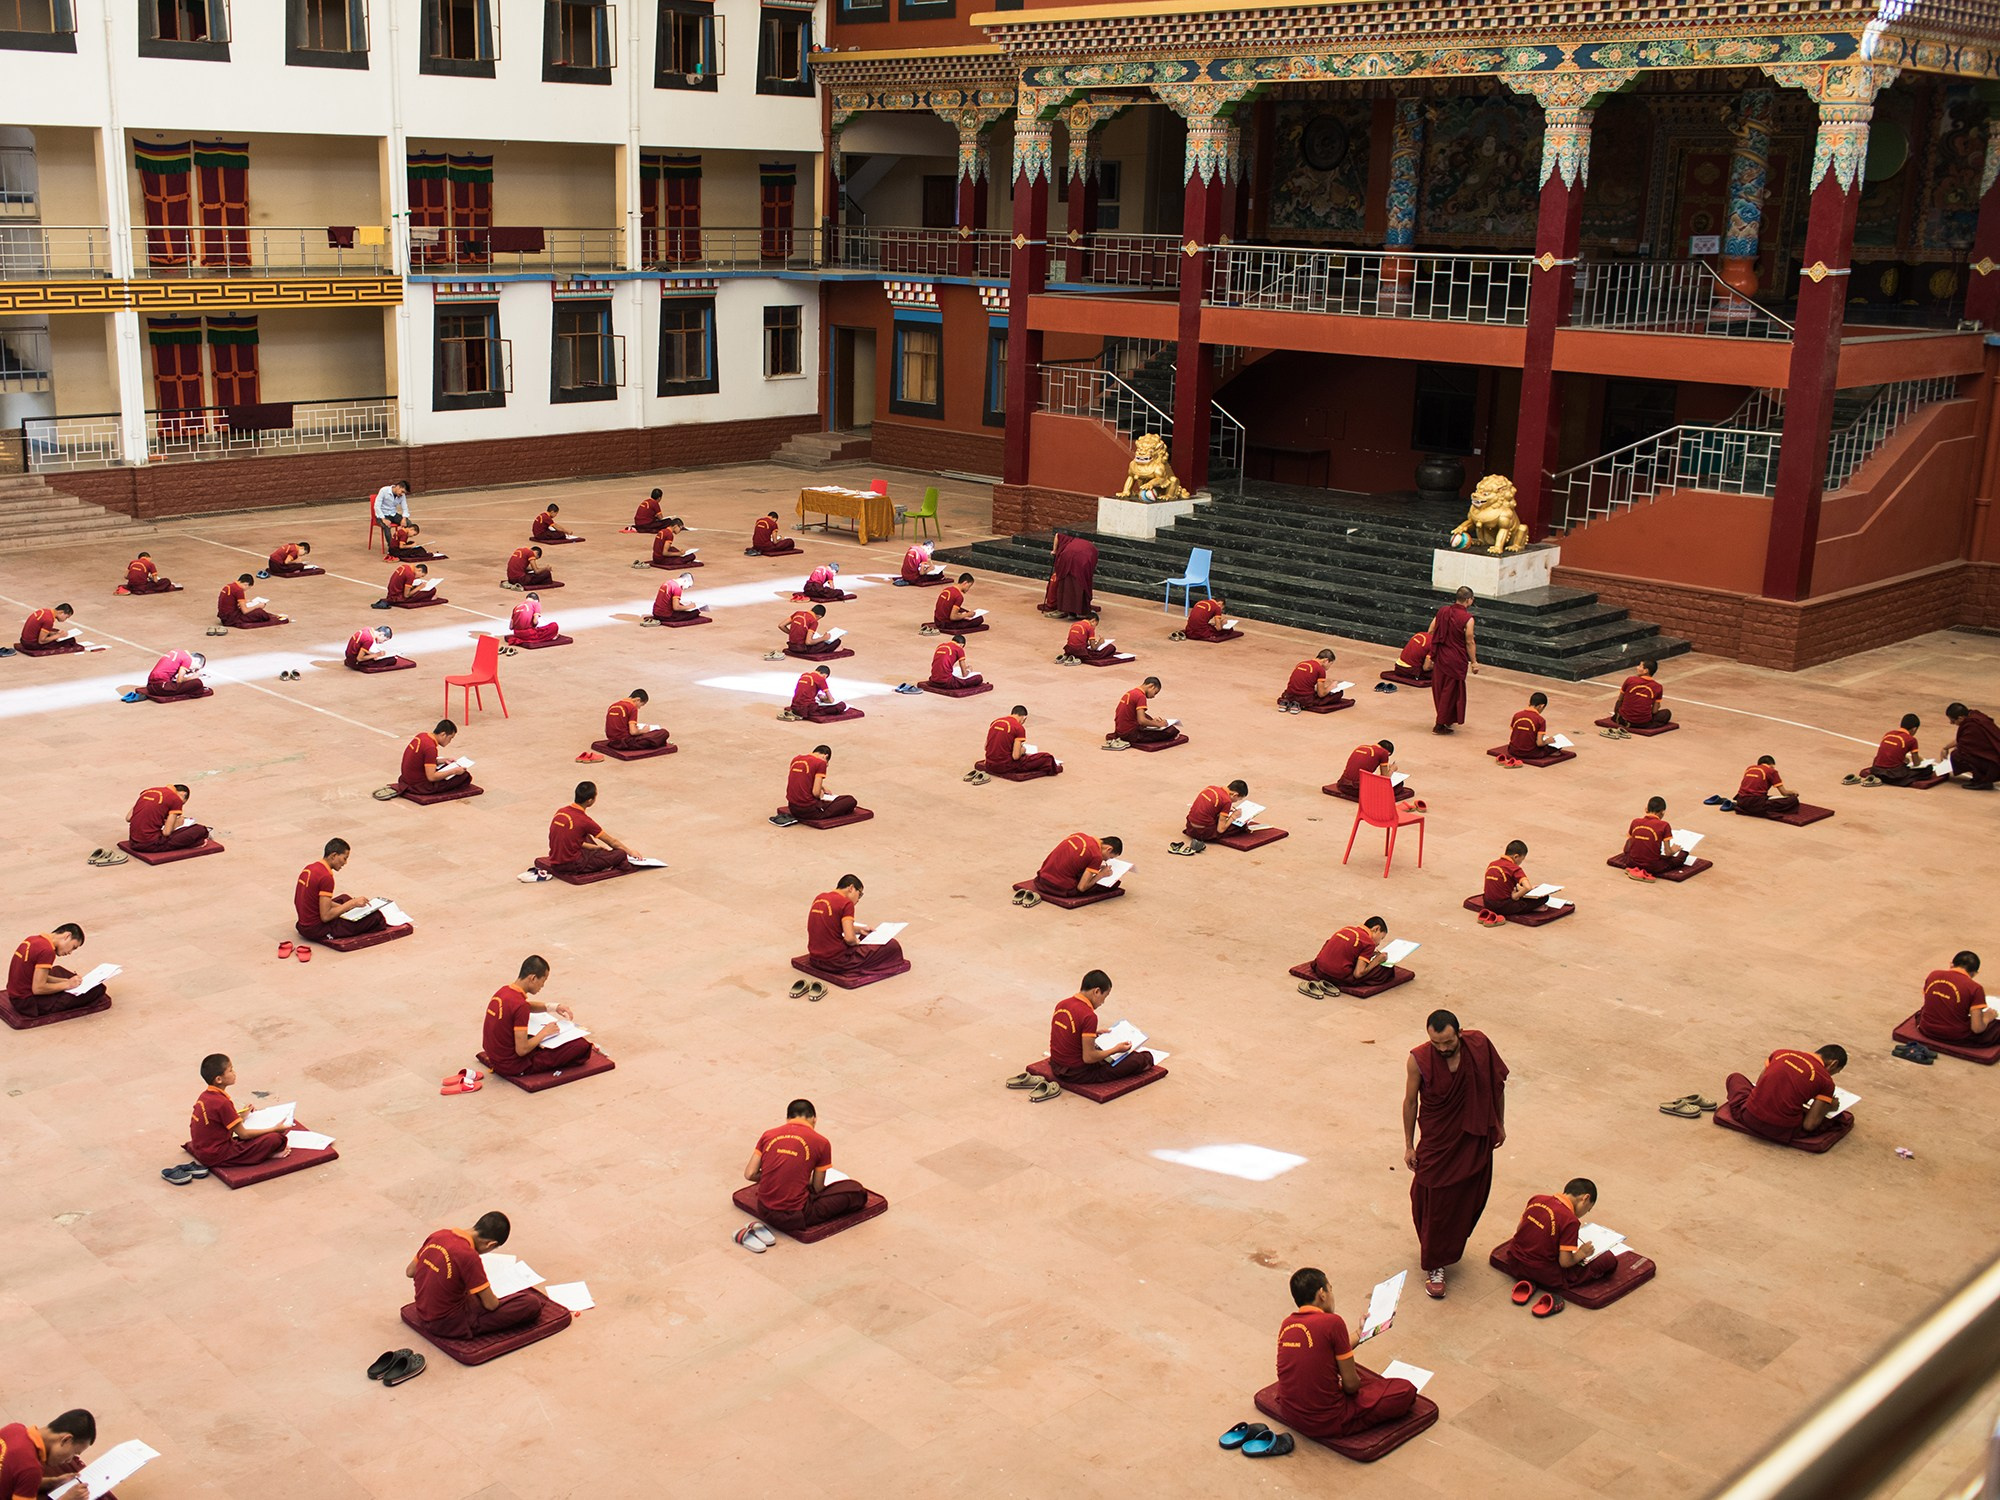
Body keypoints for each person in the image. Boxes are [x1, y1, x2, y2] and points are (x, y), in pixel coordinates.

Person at [1403, 1009, 1508, 1298]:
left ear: (1459, 1033)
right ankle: (1434, 1263)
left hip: (1475, 1133)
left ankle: (1449, 1245)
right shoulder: (1419, 1060)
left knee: (1468, 1195)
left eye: (1448, 1042)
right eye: (1436, 1043)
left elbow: (1496, 1086)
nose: (1443, 1049)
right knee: (1431, 1197)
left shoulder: (1479, 1046)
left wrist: (1499, 1123)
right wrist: (1409, 1145)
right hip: (1439, 1141)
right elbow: (1411, 1102)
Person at [1272, 1267, 1420, 1440]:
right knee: (1404, 1390)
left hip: (1290, 1412)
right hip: (1327, 1421)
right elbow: (1352, 1386)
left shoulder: (1287, 1324)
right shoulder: (1333, 1322)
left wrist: (1360, 1333)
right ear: (1322, 1294)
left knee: (1338, 1367)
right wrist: (1347, 1382)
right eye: (1330, 1289)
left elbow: (1325, 1349)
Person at [405, 1212, 543, 1339]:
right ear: (490, 1244)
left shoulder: (439, 1235)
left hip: (423, 1310)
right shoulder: (468, 1256)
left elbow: (410, 1271)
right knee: (531, 1304)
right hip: (447, 1324)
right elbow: (491, 1305)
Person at [744, 1099, 871, 1233]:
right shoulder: (821, 1142)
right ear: (814, 1119)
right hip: (794, 1215)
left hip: (763, 1208)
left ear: (787, 1118)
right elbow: (817, 1187)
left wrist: (779, 1176)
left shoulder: (768, 1134)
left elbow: (750, 1174)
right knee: (856, 1191)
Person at [484, 955, 593, 1076]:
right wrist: (544, 1032)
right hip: (512, 1065)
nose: (542, 986)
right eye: (543, 981)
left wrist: (553, 1007)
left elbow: (525, 1006)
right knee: (581, 1046)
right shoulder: (520, 1007)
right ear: (533, 978)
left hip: (494, 1057)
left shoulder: (504, 991)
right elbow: (522, 1050)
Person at [1044, 969, 1154, 1085]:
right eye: (1104, 997)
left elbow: (1070, 1032)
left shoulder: (1062, 1004)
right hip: (1076, 1073)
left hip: (1056, 1066)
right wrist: (1115, 1049)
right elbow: (1089, 1058)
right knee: (1139, 1059)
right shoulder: (1088, 1015)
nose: (1103, 1002)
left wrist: (1094, 1034)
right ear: (1096, 991)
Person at [1504, 1179, 1617, 1291]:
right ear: (1585, 1198)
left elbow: (1519, 1229)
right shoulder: (1571, 1220)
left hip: (1514, 1261)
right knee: (1608, 1259)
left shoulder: (1536, 1199)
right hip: (1541, 1273)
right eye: (1588, 1209)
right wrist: (1582, 1253)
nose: (1584, 1213)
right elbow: (1565, 1262)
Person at [1724, 1045, 1849, 1144]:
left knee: (1735, 1078)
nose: (1831, 1075)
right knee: (1836, 1120)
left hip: (1749, 1116)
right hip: (1782, 1130)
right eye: (1835, 1072)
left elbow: (1759, 1084)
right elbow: (1809, 1125)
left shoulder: (1781, 1053)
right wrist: (1828, 1106)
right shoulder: (1826, 1080)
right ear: (1833, 1064)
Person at [188, 1054, 291, 1169]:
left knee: (258, 1138)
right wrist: (275, 1129)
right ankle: (266, 1155)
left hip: (202, 1149)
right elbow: (244, 1134)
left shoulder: (206, 1096)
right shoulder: (222, 1102)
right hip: (216, 1155)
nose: (234, 1073)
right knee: (275, 1138)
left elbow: (221, 1121)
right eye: (230, 1070)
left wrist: (241, 1116)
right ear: (218, 1079)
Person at [805, 875, 905, 974]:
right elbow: (849, 939)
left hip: (815, 958)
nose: (858, 900)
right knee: (892, 945)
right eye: (859, 894)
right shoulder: (846, 903)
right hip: (835, 961)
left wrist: (860, 930)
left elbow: (832, 924)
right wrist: (855, 942)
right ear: (851, 888)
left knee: (864, 935)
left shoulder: (820, 897)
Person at [294, 838, 385, 941]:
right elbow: (326, 916)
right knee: (376, 917)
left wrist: (346, 907)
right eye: (344, 858)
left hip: (303, 924)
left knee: (344, 898)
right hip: (315, 929)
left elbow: (314, 899)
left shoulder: (310, 868)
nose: (345, 863)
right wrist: (352, 904)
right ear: (333, 856)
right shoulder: (326, 877)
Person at [7, 923, 107, 1017]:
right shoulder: (47, 951)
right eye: (73, 947)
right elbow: (38, 989)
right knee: (97, 989)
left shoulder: (32, 939)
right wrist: (68, 985)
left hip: (14, 995)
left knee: (60, 971)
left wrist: (66, 981)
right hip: (27, 1003)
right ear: (67, 936)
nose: (70, 952)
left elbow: (34, 975)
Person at [547, 783, 644, 876]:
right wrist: (630, 852)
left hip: (555, 861)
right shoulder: (585, 821)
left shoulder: (561, 811)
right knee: (620, 854)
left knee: (581, 834)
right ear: (589, 800)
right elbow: (611, 842)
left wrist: (593, 847)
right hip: (573, 865)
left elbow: (570, 840)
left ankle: (596, 854)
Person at [0, 1411, 98, 1498]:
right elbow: (26, 1473)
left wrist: (52, 1482)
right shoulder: (31, 1468)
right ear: (66, 1439)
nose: (69, 1460)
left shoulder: (14, 1428)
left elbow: (14, 1477)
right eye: (74, 1453)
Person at [1428, 586, 1478, 733]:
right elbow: (1469, 641)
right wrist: (1474, 662)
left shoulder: (1443, 611)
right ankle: (1440, 723)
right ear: (1469, 600)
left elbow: (1431, 630)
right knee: (1450, 692)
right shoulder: (1468, 619)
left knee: (1440, 688)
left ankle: (1444, 719)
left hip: (1441, 656)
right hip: (1455, 658)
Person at [1917, 952, 1991, 1044]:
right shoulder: (1975, 988)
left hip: (1926, 1029)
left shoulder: (1933, 975)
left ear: (1951, 964)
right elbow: (1977, 1028)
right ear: (1974, 973)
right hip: (1954, 1036)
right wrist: (1988, 1017)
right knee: (1994, 1027)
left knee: (1921, 1012)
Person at [1309, 917, 1392, 988]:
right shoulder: (1369, 942)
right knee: (1385, 971)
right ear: (1376, 929)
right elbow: (1358, 974)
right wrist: (1377, 960)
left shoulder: (1346, 929)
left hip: (1319, 969)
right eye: (1381, 938)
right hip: (1336, 976)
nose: (1379, 943)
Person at [1035, 833, 1123, 898]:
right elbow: (1081, 888)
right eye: (1110, 857)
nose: (1106, 860)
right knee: (1114, 884)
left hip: (1041, 879)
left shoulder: (1078, 835)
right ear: (1109, 849)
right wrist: (1101, 875)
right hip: (1058, 888)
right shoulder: (1096, 855)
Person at [980, 706, 1060, 777]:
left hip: (989, 764)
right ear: (1024, 718)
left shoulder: (995, 722)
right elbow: (1015, 756)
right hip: (1005, 766)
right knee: (1047, 757)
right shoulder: (1018, 728)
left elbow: (986, 747)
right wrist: (1023, 750)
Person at [128, 783, 208, 853]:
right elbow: (166, 833)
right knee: (200, 829)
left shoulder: (148, 791)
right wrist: (176, 824)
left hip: (133, 842)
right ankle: (195, 843)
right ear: (183, 794)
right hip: (149, 844)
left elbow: (128, 818)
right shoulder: (176, 800)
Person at [398, 720, 470, 796]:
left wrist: (443, 760)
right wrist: (454, 771)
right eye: (450, 738)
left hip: (406, 779)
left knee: (445, 766)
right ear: (443, 734)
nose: (450, 741)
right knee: (464, 776)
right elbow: (431, 777)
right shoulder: (430, 748)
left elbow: (421, 759)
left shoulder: (422, 735)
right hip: (418, 785)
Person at [785, 745, 857, 820]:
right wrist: (820, 794)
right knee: (850, 800)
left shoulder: (796, 759)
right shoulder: (820, 763)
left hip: (792, 808)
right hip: (808, 810)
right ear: (825, 756)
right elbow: (816, 793)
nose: (827, 765)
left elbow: (803, 778)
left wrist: (822, 787)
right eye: (827, 761)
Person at [1853, 714, 1927, 786]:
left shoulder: (1888, 734)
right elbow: (1916, 764)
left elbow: (1890, 752)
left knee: (1904, 762)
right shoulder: (1911, 740)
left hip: (1876, 770)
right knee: (1927, 770)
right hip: (1893, 774)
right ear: (1914, 729)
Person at [1620, 796, 1685, 878]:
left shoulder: (1635, 822)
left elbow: (1627, 846)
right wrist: (1674, 850)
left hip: (1631, 863)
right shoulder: (1664, 825)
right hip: (1652, 866)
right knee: (1681, 857)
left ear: (1646, 809)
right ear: (1662, 812)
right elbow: (1668, 853)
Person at [1481, 839, 1548, 917]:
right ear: (1516, 856)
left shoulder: (1492, 864)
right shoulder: (1514, 868)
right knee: (1544, 898)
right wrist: (1515, 896)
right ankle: (1532, 909)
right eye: (1521, 860)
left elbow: (1505, 884)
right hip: (1503, 906)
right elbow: (1527, 887)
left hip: (1488, 903)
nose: (1520, 863)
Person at [1041, 530, 1098, 618]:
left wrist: (1054, 551)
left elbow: (1057, 535)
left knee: (1066, 583)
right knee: (1081, 582)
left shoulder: (1065, 543)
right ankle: (1081, 610)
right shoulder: (1076, 542)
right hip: (1088, 557)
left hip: (1071, 557)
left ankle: (1066, 609)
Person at [1943, 702, 2000, 790]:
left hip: (1995, 763)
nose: (1951, 723)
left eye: (1953, 721)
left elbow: (1964, 744)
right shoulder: (1975, 715)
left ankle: (1983, 780)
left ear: (1961, 718)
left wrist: (1954, 748)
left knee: (1957, 755)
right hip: (1995, 755)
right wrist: (1946, 747)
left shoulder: (1972, 726)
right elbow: (1963, 739)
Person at [1111, 676, 1178, 747]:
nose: (1153, 696)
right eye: (1155, 693)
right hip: (1130, 734)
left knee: (1148, 718)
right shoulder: (1141, 696)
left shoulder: (1131, 692)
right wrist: (1158, 725)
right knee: (1171, 731)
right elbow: (1142, 721)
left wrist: (1152, 721)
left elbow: (1134, 713)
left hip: (1120, 731)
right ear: (1151, 686)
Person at [1333, 740, 1410, 801]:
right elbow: (1385, 778)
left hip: (1342, 785)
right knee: (1398, 784)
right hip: (1358, 790)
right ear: (1388, 753)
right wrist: (1392, 769)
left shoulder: (1361, 747)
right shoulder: (1383, 753)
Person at [1606, 659, 1669, 735]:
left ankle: (1618, 718)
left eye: (1640, 666)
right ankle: (1644, 724)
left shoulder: (1630, 680)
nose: (1637, 667)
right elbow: (1654, 711)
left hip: (1622, 719)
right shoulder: (1658, 687)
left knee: (1619, 702)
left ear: (1646, 671)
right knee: (1666, 713)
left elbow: (1620, 699)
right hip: (1642, 723)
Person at [605, 690, 670, 752]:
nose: (639, 708)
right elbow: (633, 732)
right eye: (641, 705)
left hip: (611, 741)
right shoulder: (632, 708)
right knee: (663, 733)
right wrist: (643, 731)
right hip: (624, 743)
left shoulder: (613, 705)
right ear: (638, 699)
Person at [1186, 780, 1251, 842]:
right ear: (1235, 795)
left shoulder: (1211, 788)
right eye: (1238, 799)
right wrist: (1233, 816)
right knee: (1239, 827)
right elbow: (1220, 829)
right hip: (1203, 833)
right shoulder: (1226, 801)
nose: (1236, 801)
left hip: (1190, 827)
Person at [1734, 756, 1800, 817]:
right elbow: (1784, 793)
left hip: (1741, 801)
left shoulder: (1749, 768)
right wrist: (1793, 792)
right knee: (1793, 800)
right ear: (1771, 765)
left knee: (1768, 798)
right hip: (1756, 803)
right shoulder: (1771, 771)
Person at [217, 575, 285, 628]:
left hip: (224, 615)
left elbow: (230, 601)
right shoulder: (239, 590)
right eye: (248, 588)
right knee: (260, 613)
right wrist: (257, 606)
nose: (246, 590)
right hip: (230, 618)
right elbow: (245, 611)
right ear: (246, 584)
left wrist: (245, 601)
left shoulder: (229, 586)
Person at [1504, 692, 1556, 761]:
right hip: (1530, 753)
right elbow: (1539, 743)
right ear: (1542, 706)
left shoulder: (1516, 715)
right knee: (1554, 748)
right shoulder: (1540, 720)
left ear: (1529, 703)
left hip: (1513, 751)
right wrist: (1547, 741)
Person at [372, 479, 412, 552]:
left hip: (393, 514)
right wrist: (383, 519)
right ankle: (392, 548)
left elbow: (405, 508)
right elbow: (377, 506)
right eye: (402, 491)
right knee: (387, 526)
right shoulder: (384, 490)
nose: (402, 494)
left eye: (404, 493)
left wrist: (404, 518)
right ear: (398, 487)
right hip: (382, 515)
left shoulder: (402, 496)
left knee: (409, 524)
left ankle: (402, 543)